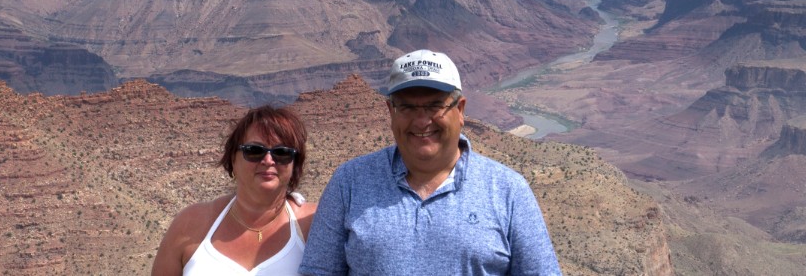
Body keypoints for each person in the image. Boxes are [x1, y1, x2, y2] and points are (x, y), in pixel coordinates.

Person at [300, 49, 561, 275]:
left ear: (460, 110)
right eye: (407, 107)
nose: (422, 121)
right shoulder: (349, 182)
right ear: (391, 112)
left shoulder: (508, 190)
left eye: (435, 106)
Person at [152, 105, 316, 276]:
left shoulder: (315, 225)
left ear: (295, 164)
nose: (268, 160)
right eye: (254, 151)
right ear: (233, 159)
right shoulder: (190, 225)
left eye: (282, 153)